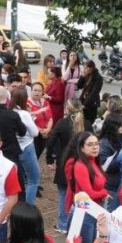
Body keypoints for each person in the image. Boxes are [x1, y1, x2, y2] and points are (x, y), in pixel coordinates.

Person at [63, 131, 107, 243]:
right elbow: (88, 193)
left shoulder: (93, 163)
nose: (95, 147)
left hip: (93, 213)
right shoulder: (80, 166)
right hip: (84, 215)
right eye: (90, 144)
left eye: (96, 143)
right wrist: (104, 192)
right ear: (81, 147)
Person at [44, 99, 84, 233]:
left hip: (65, 162)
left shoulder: (62, 123)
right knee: (80, 194)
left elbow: (50, 141)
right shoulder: (87, 124)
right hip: (82, 164)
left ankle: (63, 224)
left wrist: (49, 158)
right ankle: (76, 223)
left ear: (68, 108)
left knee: (63, 194)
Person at [10, 87, 42, 205]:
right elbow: (35, 132)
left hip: (14, 148)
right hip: (27, 147)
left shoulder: (9, 112)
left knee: (19, 178)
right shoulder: (24, 114)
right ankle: (29, 206)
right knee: (33, 179)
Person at [98, 113, 122, 207]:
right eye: (119, 126)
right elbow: (104, 166)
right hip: (111, 185)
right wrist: (121, 154)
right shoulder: (104, 143)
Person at [77, 59, 103, 126]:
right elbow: (78, 86)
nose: (85, 69)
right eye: (84, 68)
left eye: (86, 68)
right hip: (83, 99)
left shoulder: (98, 78)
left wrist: (85, 104)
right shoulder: (86, 75)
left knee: (89, 122)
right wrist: (82, 76)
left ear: (91, 68)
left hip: (91, 103)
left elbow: (94, 93)